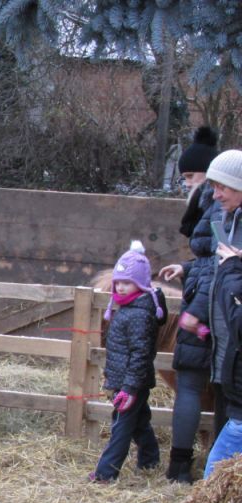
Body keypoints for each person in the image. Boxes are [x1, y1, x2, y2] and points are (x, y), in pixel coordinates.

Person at [157, 127, 220, 482]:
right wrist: (188, 268)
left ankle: (188, 466)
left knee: (193, 386)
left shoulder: (215, 208)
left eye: (191, 176)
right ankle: (206, 466)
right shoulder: (212, 208)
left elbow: (221, 266)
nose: (186, 184)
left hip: (206, 308)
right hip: (209, 303)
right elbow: (214, 262)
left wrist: (194, 311)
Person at [90, 242, 165, 483]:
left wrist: (130, 389)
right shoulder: (129, 307)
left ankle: (106, 473)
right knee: (139, 421)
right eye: (118, 282)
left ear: (140, 284)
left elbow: (140, 355)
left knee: (121, 426)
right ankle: (150, 460)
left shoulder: (139, 314)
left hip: (131, 383)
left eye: (127, 283)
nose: (120, 288)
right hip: (125, 380)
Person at [200, 150, 242, 479]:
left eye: (222, 187)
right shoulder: (228, 220)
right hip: (227, 346)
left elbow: (233, 281)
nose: (215, 194)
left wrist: (233, 269)